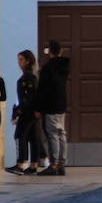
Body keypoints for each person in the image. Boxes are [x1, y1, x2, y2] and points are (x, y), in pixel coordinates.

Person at [5, 50, 45, 175]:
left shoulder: (29, 77)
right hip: (31, 112)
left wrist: (20, 109)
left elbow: (31, 96)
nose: (19, 62)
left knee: (19, 136)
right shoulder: (28, 76)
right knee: (33, 137)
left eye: (21, 60)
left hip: (28, 112)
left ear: (28, 61)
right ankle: (33, 165)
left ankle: (21, 163)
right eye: (18, 60)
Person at [34, 40, 70, 176]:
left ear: (50, 52)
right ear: (60, 51)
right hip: (61, 104)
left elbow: (42, 89)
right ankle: (61, 163)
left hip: (51, 105)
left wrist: (38, 108)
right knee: (62, 134)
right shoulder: (64, 66)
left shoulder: (48, 68)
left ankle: (53, 164)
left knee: (53, 134)